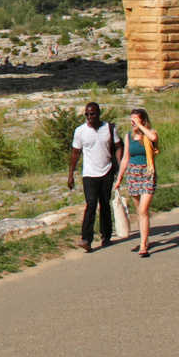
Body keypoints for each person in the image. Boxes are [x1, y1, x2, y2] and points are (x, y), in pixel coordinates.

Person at [64, 101, 119, 252]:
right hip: (89, 173)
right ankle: (86, 238)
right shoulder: (80, 131)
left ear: (99, 114)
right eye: (87, 114)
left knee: (105, 204)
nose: (90, 117)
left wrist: (119, 168)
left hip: (106, 171)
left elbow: (118, 146)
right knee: (91, 204)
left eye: (92, 114)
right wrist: (71, 175)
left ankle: (106, 236)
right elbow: (76, 152)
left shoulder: (109, 128)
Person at [119, 108, 159, 257]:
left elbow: (154, 138)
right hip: (133, 174)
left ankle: (143, 245)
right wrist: (119, 178)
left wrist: (141, 127)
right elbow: (125, 158)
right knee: (138, 210)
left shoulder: (150, 133)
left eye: (135, 119)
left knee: (143, 210)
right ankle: (145, 238)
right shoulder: (128, 136)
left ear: (143, 120)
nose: (132, 122)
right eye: (131, 120)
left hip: (148, 172)